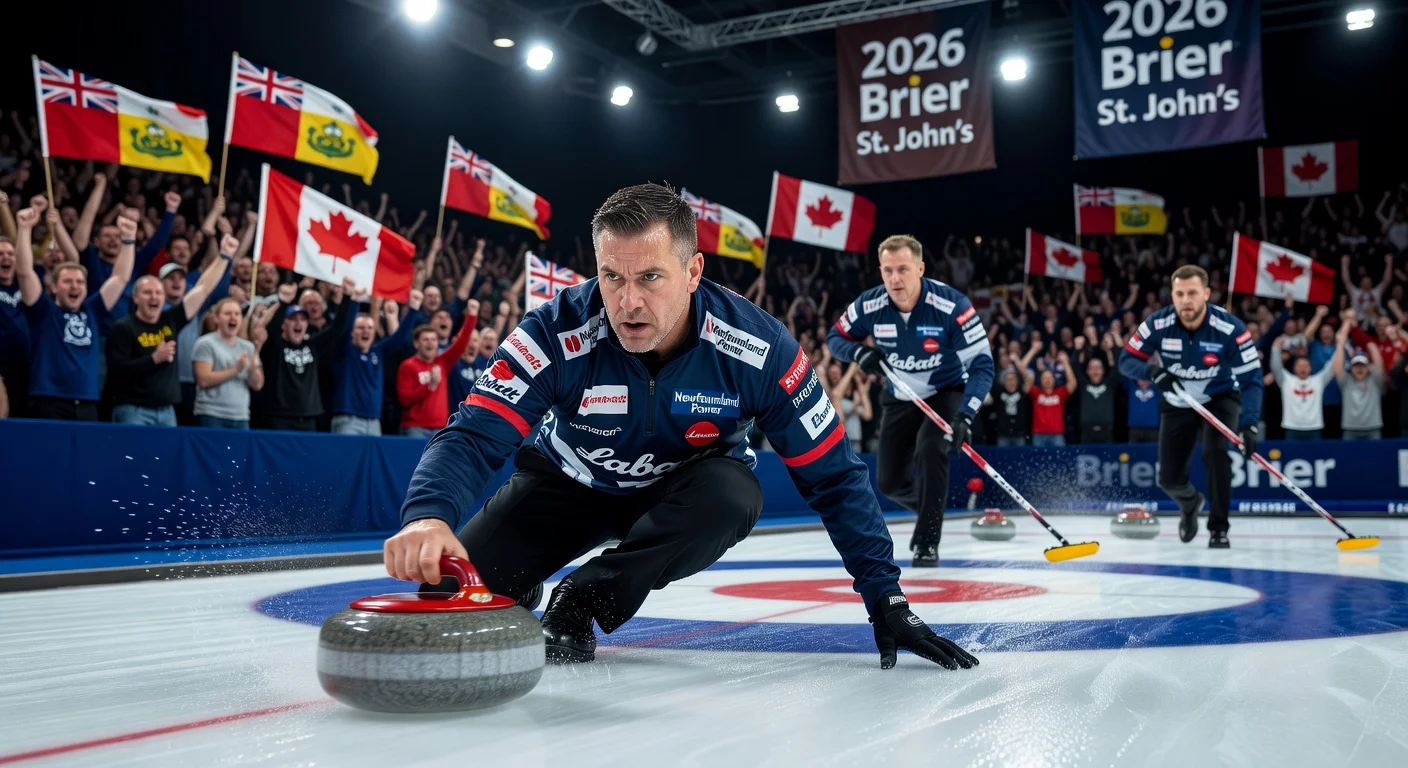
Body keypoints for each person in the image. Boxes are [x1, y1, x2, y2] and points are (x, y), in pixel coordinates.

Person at [384, 184, 977, 672]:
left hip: (687, 492)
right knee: (450, 601)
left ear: (693, 271)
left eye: (650, 278)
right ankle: (522, 581)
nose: (628, 302)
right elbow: (474, 435)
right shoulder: (553, 331)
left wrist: (886, 597)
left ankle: (580, 600)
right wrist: (428, 517)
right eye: (612, 277)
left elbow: (836, 477)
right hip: (568, 486)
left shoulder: (758, 347)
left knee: (735, 494)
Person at [826, 234, 995, 567]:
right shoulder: (870, 304)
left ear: (920, 269)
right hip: (899, 394)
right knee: (888, 482)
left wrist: (966, 414)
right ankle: (933, 505)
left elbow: (982, 364)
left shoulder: (952, 306)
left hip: (946, 390)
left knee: (932, 449)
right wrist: (859, 352)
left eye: (902, 269)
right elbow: (836, 338)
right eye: (887, 270)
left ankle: (927, 543)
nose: (894, 279)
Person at [1118, 265, 1263, 548]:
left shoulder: (1231, 328)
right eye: (1179, 294)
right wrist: (1153, 372)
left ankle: (1218, 528)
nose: (1186, 300)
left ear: (1206, 294)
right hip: (1177, 400)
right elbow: (1126, 360)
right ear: (1172, 295)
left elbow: (1252, 380)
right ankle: (1190, 502)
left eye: (1193, 293)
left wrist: (1250, 424)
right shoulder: (1157, 324)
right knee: (1168, 479)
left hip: (1220, 397)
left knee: (1216, 454)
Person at [13, 205, 135, 420]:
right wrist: (24, 229)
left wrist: (128, 240)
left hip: (87, 400)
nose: (75, 286)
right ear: (54, 287)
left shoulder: (92, 310)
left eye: (80, 282)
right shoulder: (44, 310)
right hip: (48, 400)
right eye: (68, 281)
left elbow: (120, 278)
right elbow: (24, 273)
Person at [105, 235, 234, 425]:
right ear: (135, 298)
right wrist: (153, 359)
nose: (154, 297)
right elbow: (116, 371)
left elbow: (203, 289)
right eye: (147, 292)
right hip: (133, 410)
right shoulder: (123, 327)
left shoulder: (170, 320)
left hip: (166, 411)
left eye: (158, 293)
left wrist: (224, 256)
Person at [253, 279, 358, 431]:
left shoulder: (312, 346)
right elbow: (272, 329)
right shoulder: (274, 346)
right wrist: (282, 301)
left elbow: (337, 327)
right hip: (278, 417)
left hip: (308, 417)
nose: (299, 323)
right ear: (284, 324)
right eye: (293, 319)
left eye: (303, 319)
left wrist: (347, 296)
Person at [331, 291, 424, 435]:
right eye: (361, 328)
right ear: (352, 332)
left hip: (374, 421)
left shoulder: (377, 352)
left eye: (369, 328)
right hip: (348, 419)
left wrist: (413, 309)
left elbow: (398, 338)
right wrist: (355, 300)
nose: (366, 331)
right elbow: (345, 326)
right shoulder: (345, 350)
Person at [397, 301, 480, 437]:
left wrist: (472, 315)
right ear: (416, 343)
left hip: (441, 427)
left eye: (433, 340)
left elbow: (461, 343)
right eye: (426, 340)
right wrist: (429, 386)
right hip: (415, 428)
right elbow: (404, 399)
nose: (430, 343)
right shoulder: (408, 365)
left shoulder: (441, 362)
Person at [191, 297, 265, 429]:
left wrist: (253, 363)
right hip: (211, 415)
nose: (233, 318)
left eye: (237, 314)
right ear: (216, 319)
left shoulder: (248, 347)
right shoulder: (205, 343)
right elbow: (203, 380)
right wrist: (235, 369)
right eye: (227, 313)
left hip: (241, 416)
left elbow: (257, 384)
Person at [1269, 323, 1344, 440]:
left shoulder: (1319, 379)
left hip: (1314, 428)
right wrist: (1275, 348)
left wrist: (1340, 345)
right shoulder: (1286, 379)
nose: (1303, 368)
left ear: (1310, 368)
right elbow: (1275, 367)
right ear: (1294, 368)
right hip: (1291, 427)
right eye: (1299, 365)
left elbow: (1332, 366)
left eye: (1306, 365)